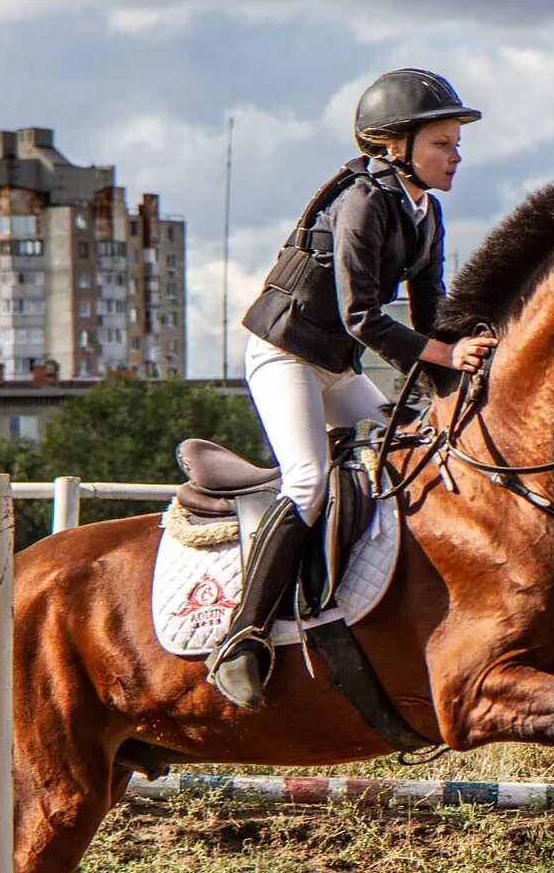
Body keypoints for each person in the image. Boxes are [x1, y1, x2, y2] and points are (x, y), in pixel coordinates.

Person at [208, 69, 497, 709]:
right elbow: (361, 316)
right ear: (397, 145)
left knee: (419, 442)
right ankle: (243, 637)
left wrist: (473, 361)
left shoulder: (426, 211)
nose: (456, 156)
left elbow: (431, 314)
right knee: (308, 481)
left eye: (455, 143)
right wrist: (445, 352)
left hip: (335, 367)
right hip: (284, 354)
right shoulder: (363, 202)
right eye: (443, 144)